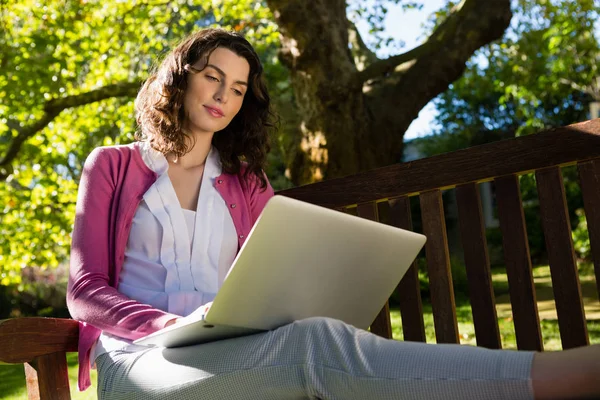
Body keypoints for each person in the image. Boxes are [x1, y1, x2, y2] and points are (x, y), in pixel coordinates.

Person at [67, 28, 600, 400]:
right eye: (212, 77)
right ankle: (561, 376)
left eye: (237, 89)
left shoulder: (247, 181)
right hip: (138, 364)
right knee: (316, 349)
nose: (223, 97)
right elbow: (84, 288)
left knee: (318, 340)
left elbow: (269, 273)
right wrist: (165, 324)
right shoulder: (113, 166)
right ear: (179, 77)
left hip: (230, 351)